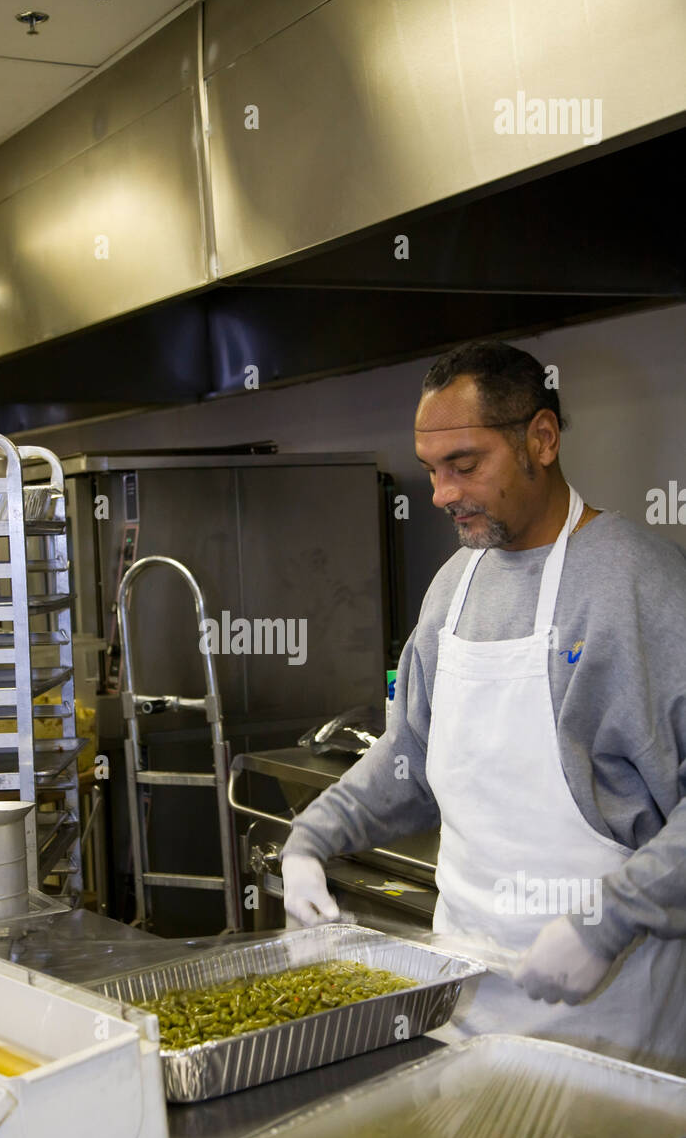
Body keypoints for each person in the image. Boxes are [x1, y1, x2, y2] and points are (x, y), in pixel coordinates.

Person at [281, 339, 686, 1076]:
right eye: (434, 471)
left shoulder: (644, 587)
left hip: (614, 1022)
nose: (440, 493)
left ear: (541, 438)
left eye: (464, 466)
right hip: (465, 1011)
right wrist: (313, 838)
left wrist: (605, 923)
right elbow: (408, 760)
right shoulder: (453, 589)